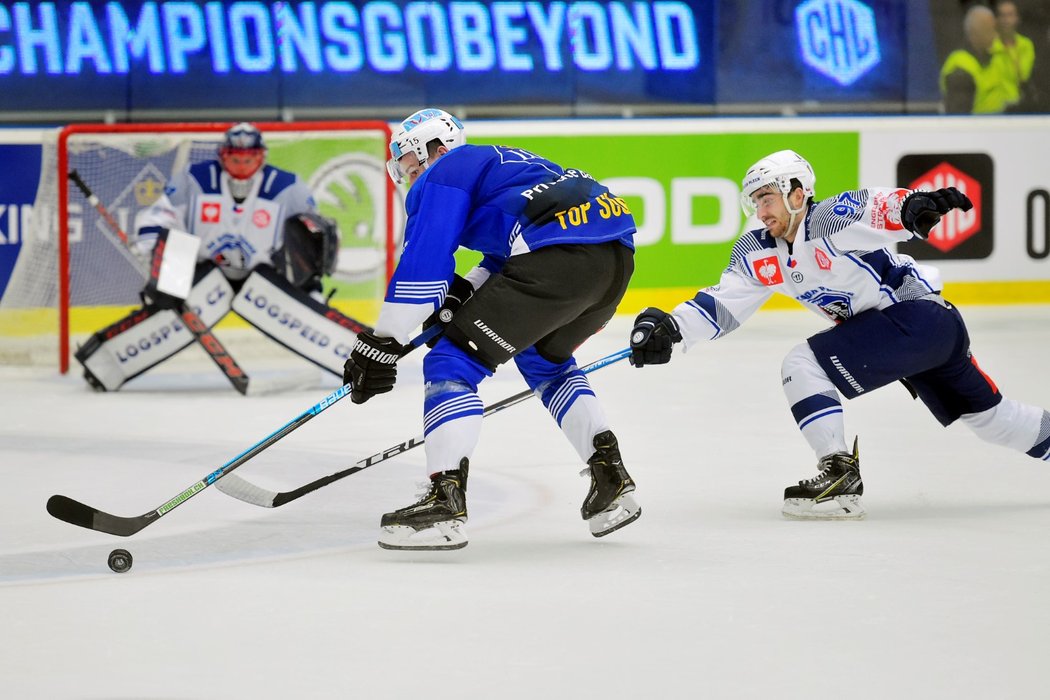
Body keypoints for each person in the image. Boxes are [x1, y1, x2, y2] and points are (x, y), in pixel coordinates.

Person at [628, 149, 1050, 520]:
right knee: (993, 420)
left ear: (797, 194)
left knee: (802, 364)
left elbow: (880, 207)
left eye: (767, 198)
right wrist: (672, 327)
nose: (761, 211)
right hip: (923, 333)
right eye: (756, 202)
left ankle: (839, 475)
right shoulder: (758, 250)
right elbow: (723, 303)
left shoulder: (830, 218)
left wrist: (915, 206)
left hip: (918, 320)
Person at [344, 108, 639, 550]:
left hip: (559, 261)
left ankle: (444, 502)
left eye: (409, 162)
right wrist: (465, 296)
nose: (408, 176)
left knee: (451, 360)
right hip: (614, 261)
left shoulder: (445, 170)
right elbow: (509, 257)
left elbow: (423, 267)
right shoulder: (506, 161)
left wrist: (381, 342)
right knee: (544, 359)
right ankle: (611, 479)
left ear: (437, 150)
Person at [75, 122, 364, 391]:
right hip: (201, 270)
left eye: (248, 160)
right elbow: (159, 218)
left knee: (310, 312)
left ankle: (365, 363)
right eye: (235, 159)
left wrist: (309, 286)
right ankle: (102, 364)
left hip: (264, 275)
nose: (241, 166)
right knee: (165, 301)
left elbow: (311, 239)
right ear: (222, 157)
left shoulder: (289, 188)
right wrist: (162, 269)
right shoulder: (194, 179)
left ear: (261, 157)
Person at [940, 5, 1016, 113]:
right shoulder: (961, 69)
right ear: (976, 32)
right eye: (990, 30)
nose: (995, 36)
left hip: (1008, 123)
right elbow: (958, 119)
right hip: (979, 127)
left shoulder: (994, 57)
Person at [993, 1, 1037, 109]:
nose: (1006, 20)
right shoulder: (990, 45)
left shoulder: (1025, 45)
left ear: (1017, 18)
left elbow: (1023, 75)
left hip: (1016, 105)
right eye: (1002, 15)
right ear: (996, 19)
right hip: (993, 107)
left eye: (1010, 15)